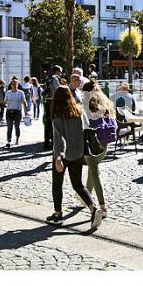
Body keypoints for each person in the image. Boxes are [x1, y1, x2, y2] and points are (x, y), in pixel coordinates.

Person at [47, 85, 103, 228]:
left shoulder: (57, 114)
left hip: (64, 155)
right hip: (78, 153)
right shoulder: (79, 111)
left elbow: (58, 139)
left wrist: (58, 157)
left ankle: (58, 215)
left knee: (57, 184)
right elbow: (85, 130)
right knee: (78, 184)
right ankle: (93, 209)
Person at [82, 81, 113, 219]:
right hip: (104, 142)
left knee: (94, 172)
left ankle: (102, 206)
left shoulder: (86, 104)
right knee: (92, 170)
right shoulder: (105, 101)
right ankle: (85, 197)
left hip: (91, 142)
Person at [43, 65, 63, 150]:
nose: (61, 74)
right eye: (61, 71)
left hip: (47, 101)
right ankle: (53, 142)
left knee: (48, 123)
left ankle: (47, 142)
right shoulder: (55, 78)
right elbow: (58, 90)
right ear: (57, 71)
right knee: (54, 122)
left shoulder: (48, 77)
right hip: (53, 102)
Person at [4, 78, 28, 148]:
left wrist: (26, 112)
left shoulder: (21, 92)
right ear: (11, 85)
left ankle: (17, 139)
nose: (14, 85)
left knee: (17, 127)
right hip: (9, 112)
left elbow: (24, 102)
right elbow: (5, 102)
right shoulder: (8, 93)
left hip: (17, 112)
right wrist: (4, 104)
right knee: (9, 127)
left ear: (17, 85)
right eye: (13, 84)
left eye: (15, 84)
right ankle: (9, 141)